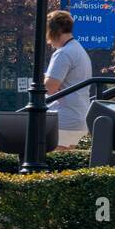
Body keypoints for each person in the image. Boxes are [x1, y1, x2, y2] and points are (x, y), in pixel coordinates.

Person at [45, 9, 94, 149]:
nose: (48, 40)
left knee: (53, 164)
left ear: (55, 31)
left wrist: (44, 78)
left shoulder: (63, 53)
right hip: (79, 116)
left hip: (63, 119)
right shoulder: (79, 50)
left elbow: (49, 87)